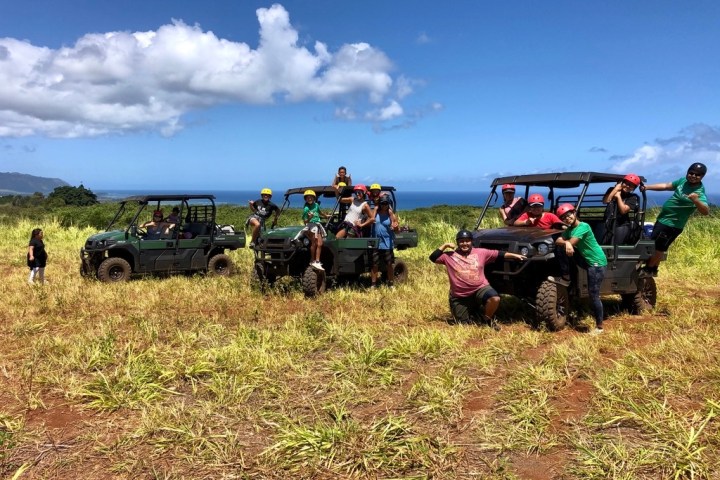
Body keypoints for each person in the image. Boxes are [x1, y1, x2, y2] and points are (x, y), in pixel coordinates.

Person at [430, 229, 526, 329]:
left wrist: (515, 255)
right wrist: (445, 245)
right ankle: (473, 310)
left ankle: (487, 319)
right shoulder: (449, 256)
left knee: (495, 298)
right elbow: (433, 258)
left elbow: (499, 254)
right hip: (460, 295)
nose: (464, 243)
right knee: (463, 325)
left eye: (467, 241)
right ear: (457, 243)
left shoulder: (481, 252)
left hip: (480, 288)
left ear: (472, 241)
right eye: (461, 241)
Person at [640, 163, 710, 276]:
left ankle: (649, 269)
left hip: (672, 224)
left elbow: (706, 211)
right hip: (663, 219)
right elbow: (666, 186)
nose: (693, 176)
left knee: (659, 247)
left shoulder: (699, 192)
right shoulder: (683, 181)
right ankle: (653, 269)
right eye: (691, 173)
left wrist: (696, 200)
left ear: (702, 177)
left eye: (697, 175)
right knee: (656, 245)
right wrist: (647, 187)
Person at [554, 203, 607, 335]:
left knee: (593, 293)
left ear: (574, 213)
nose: (567, 218)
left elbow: (571, 243)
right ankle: (566, 276)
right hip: (586, 260)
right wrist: (565, 242)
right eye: (564, 217)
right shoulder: (570, 229)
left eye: (569, 215)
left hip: (597, 262)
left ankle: (599, 327)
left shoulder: (583, 226)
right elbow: (558, 240)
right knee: (560, 247)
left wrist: (567, 242)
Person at [597, 174, 641, 244]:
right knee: (603, 243)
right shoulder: (612, 190)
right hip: (608, 223)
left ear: (633, 188)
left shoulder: (632, 197)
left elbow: (623, 210)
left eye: (631, 185)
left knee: (615, 246)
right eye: (627, 184)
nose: (628, 186)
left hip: (621, 225)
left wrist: (618, 197)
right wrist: (615, 189)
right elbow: (606, 201)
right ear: (622, 183)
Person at [295, 190, 329, 270]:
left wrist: (326, 216)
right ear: (305, 199)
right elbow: (305, 221)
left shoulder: (316, 205)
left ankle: (316, 261)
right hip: (311, 226)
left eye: (311, 197)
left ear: (314, 198)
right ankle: (313, 260)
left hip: (317, 225)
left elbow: (320, 213)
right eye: (307, 198)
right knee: (314, 243)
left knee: (319, 244)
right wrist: (309, 218)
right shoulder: (306, 209)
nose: (309, 199)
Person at [370, 194, 399, 288]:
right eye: (382, 203)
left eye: (386, 203)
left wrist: (395, 227)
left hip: (387, 243)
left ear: (388, 204)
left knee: (389, 264)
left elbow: (397, 230)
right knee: (374, 264)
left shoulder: (390, 214)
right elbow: (371, 219)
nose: (384, 205)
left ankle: (391, 283)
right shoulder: (375, 212)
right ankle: (373, 284)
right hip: (376, 242)